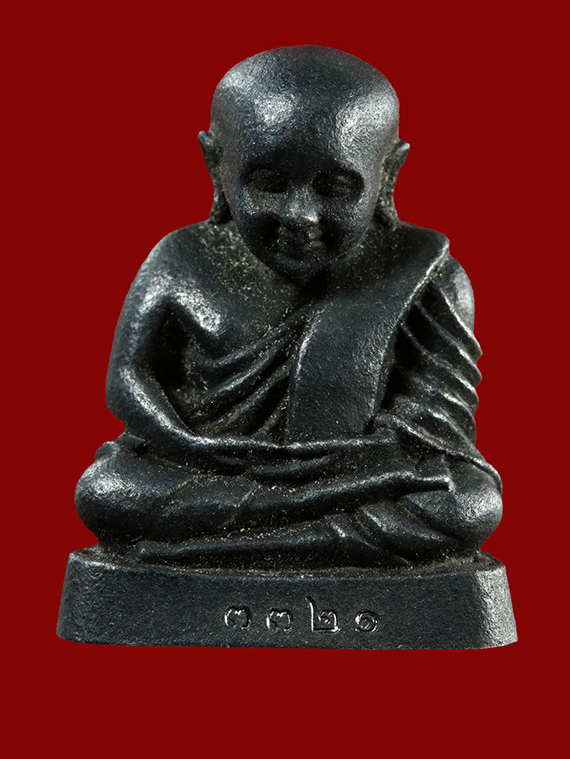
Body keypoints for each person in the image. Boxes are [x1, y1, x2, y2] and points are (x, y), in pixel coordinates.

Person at [76, 46, 502, 567]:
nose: (300, 215)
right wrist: (187, 443)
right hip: (213, 467)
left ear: (388, 173)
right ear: (216, 165)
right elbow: (128, 376)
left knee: (467, 504)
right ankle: (307, 540)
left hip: (353, 475)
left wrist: (355, 459)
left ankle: (221, 548)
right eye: (269, 184)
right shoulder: (181, 258)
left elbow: (436, 424)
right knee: (108, 491)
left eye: (336, 188)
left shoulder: (426, 274)